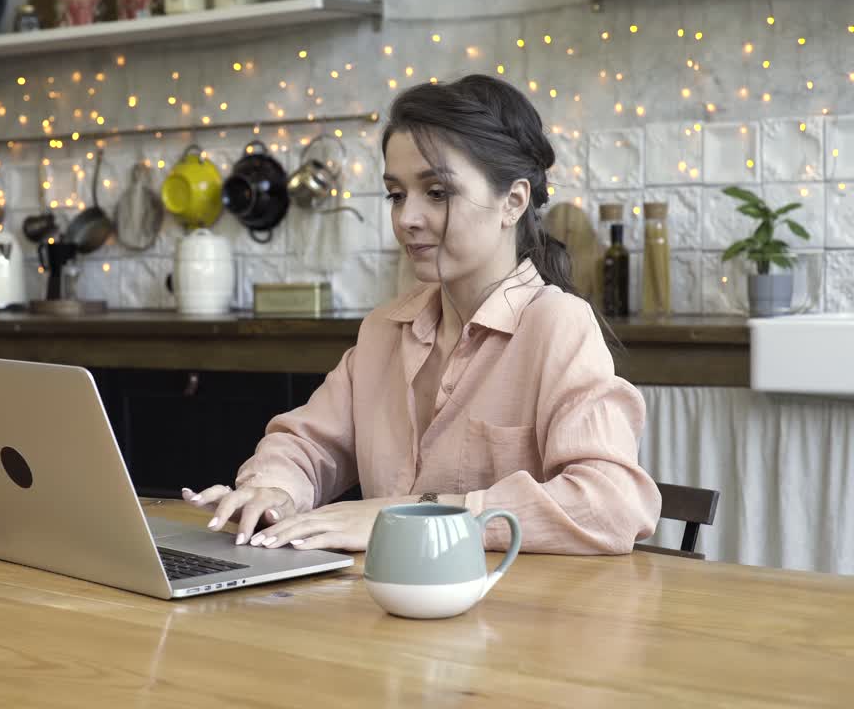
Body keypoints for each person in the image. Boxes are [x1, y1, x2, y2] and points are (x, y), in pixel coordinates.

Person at [182, 74, 661, 555]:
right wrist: (274, 490)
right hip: (386, 613)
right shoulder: (383, 332)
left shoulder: (558, 325)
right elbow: (308, 445)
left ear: (512, 202)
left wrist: (415, 515)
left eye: (436, 193)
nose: (407, 218)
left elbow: (612, 504)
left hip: (515, 618)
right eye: (396, 194)